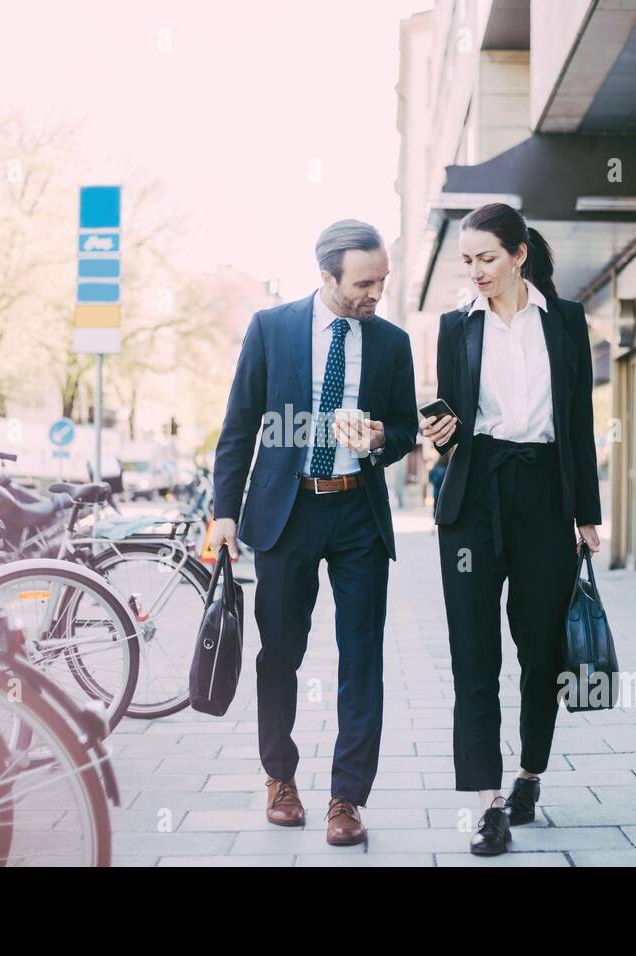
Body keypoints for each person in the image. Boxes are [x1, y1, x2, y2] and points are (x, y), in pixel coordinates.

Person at [210, 219, 417, 846]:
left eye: (382, 280)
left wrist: (381, 437)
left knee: (363, 660)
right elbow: (239, 425)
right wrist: (223, 511)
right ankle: (281, 779)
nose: (375, 292)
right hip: (286, 512)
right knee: (280, 655)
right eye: (363, 282)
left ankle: (347, 798)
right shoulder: (272, 330)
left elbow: (405, 429)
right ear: (326, 276)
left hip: (358, 514)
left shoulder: (391, 342)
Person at [420, 202, 602, 856]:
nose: (476, 272)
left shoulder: (568, 322)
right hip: (473, 498)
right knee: (473, 655)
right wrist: (438, 436)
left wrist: (588, 513)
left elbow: (577, 421)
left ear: (520, 254)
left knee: (541, 651)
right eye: (467, 261)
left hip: (545, 498)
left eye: (487, 259)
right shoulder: (455, 326)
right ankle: (487, 802)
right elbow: (449, 427)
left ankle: (529, 772)